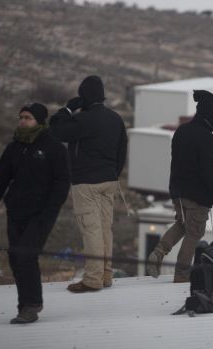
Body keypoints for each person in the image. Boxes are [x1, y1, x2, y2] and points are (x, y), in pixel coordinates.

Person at [0, 103, 70, 324]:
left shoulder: (54, 147)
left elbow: (62, 183)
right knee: (16, 258)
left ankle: (31, 306)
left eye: (28, 118)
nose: (23, 121)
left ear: (39, 120)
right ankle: (25, 305)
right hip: (16, 212)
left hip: (41, 215)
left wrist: (50, 211)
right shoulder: (14, 147)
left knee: (26, 255)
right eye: (21, 117)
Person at [49, 75, 127, 293]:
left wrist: (66, 110)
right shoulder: (115, 119)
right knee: (105, 230)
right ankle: (105, 275)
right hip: (109, 181)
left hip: (86, 182)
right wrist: (113, 173)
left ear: (83, 97)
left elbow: (55, 130)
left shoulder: (83, 120)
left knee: (91, 230)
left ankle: (92, 279)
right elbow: (122, 152)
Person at [146, 90, 213, 282]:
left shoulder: (182, 130)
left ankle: (159, 251)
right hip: (197, 194)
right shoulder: (205, 136)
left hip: (177, 191)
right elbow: (208, 169)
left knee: (182, 224)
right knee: (194, 233)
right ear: (208, 112)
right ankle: (182, 275)